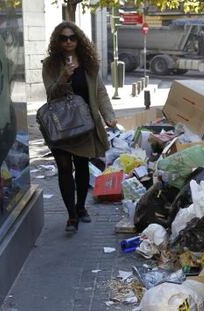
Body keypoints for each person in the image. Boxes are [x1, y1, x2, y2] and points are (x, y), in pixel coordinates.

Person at [42, 22, 117, 232]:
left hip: (84, 125)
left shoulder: (89, 63)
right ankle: (71, 215)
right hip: (60, 126)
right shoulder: (50, 65)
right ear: (57, 41)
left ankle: (81, 206)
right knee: (64, 167)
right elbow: (51, 94)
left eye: (72, 38)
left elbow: (100, 92)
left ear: (79, 40)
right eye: (63, 38)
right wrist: (64, 76)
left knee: (82, 167)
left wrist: (109, 116)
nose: (68, 42)